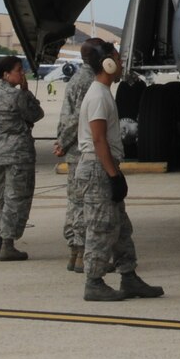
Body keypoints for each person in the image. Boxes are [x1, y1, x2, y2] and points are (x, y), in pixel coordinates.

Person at [76, 43, 164, 302]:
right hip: (98, 167)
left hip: (105, 165)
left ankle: (129, 277)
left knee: (121, 228)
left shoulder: (103, 93)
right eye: (117, 57)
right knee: (101, 227)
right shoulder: (98, 97)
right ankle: (94, 282)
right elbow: (99, 140)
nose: (121, 62)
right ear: (107, 63)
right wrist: (113, 175)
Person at [0, 55, 45, 261]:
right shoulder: (17, 96)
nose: (22, 74)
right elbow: (36, 114)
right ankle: (8, 244)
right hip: (17, 153)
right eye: (19, 70)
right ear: (6, 74)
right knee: (16, 199)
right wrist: (26, 92)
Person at [54, 48, 102, 273]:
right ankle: (81, 251)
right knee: (84, 202)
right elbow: (78, 118)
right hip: (81, 150)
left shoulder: (78, 78)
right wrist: (62, 141)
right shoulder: (88, 82)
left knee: (75, 202)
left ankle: (74, 252)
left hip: (74, 149)